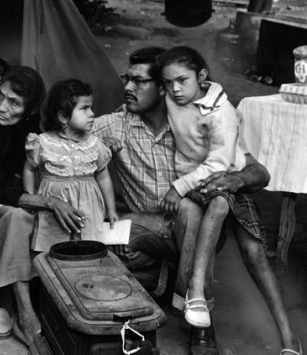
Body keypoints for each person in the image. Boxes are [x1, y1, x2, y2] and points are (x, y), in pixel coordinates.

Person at [93, 46, 301, 355]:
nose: (127, 88)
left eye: (138, 81)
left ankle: (202, 327)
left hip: (200, 224)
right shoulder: (116, 126)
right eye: (127, 79)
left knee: (191, 216)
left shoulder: (200, 122)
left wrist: (236, 179)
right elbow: (68, 136)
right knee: (107, 233)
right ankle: (163, 283)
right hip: (152, 227)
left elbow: (258, 171)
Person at [0, 67, 85, 348]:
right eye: (0, 96)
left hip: (12, 190)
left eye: (14, 102)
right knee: (20, 218)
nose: (2, 107)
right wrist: (49, 202)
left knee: (43, 215)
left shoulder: (32, 122)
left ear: (30, 107)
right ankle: (22, 310)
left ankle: (16, 302)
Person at [157, 46, 258, 329]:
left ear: (201, 77)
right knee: (190, 218)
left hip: (222, 177)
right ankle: (186, 298)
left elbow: (218, 165)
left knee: (217, 205)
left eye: (182, 80)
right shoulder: (172, 98)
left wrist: (177, 188)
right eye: (168, 82)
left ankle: (197, 293)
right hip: (193, 183)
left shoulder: (221, 112)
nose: (174, 89)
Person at [23, 79, 119, 251]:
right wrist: (31, 197)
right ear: (63, 116)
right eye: (84, 108)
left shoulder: (95, 144)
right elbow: (29, 169)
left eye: (91, 107)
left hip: (88, 208)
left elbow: (103, 177)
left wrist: (111, 210)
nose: (92, 113)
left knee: (87, 248)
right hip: (54, 210)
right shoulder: (43, 142)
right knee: (54, 250)